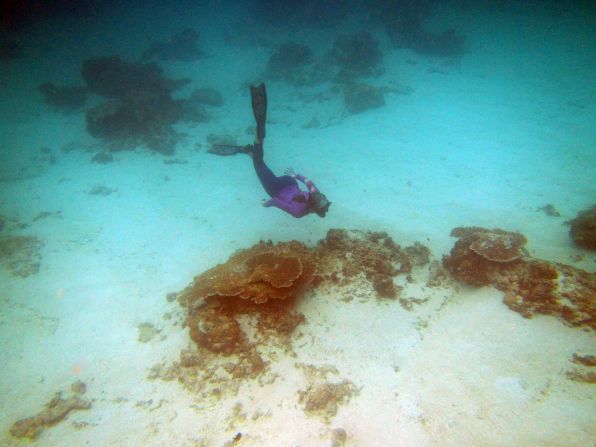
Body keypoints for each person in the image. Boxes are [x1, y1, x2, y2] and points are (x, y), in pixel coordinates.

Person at [209, 82, 331, 218]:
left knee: (259, 162)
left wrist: (296, 175)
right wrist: (265, 204)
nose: (325, 210)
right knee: (258, 164)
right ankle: (257, 140)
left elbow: (308, 182)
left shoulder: (316, 194)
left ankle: (250, 152)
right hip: (275, 189)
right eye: (324, 209)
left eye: (324, 208)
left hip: (289, 182)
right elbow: (276, 202)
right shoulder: (298, 211)